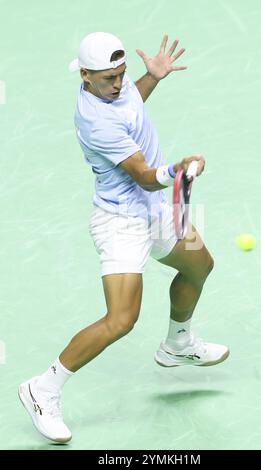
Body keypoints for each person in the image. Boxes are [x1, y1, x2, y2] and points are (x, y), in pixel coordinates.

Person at [18, 32, 229, 444]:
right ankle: (42, 389)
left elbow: (131, 103)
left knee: (200, 264)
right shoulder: (95, 120)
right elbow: (147, 179)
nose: (119, 84)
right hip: (121, 222)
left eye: (122, 74)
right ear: (84, 76)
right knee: (121, 320)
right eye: (109, 79)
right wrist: (178, 170)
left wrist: (151, 77)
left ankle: (177, 342)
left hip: (155, 211)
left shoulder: (115, 91)